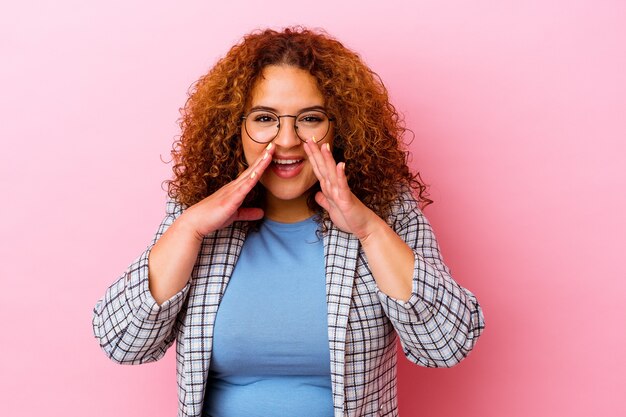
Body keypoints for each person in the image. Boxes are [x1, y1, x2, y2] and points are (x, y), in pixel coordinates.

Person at [92, 27, 485, 417]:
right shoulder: (194, 214)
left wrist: (368, 229)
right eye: (265, 118)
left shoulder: (387, 210)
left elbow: (445, 346)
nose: (286, 140)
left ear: (340, 126)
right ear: (234, 127)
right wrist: (188, 229)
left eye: (309, 119)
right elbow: (123, 342)